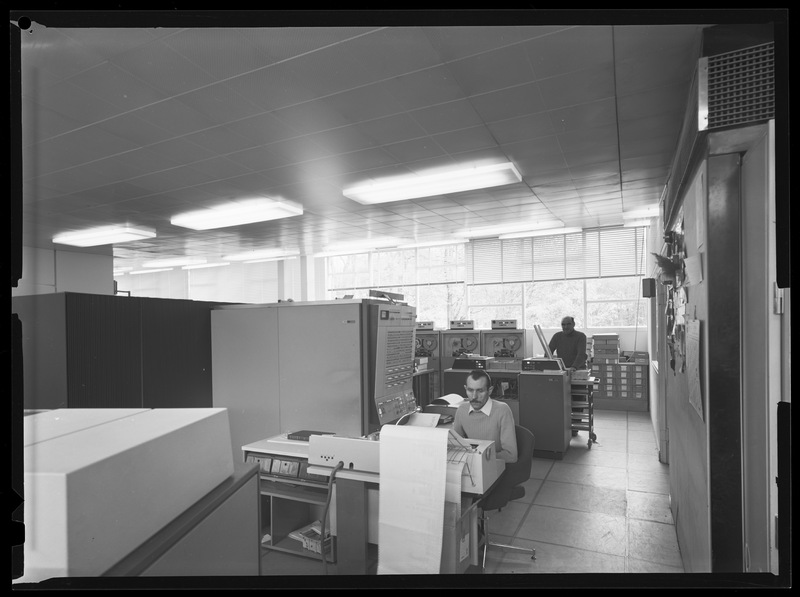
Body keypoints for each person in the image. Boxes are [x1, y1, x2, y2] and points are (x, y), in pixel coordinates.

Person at [452, 369, 518, 463]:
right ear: (465, 389)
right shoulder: (462, 410)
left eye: (480, 391)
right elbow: (455, 446)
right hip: (472, 464)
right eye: (470, 390)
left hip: (494, 466)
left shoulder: (502, 410)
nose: (474, 396)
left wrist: (480, 457)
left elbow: (511, 456)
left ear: (490, 390)